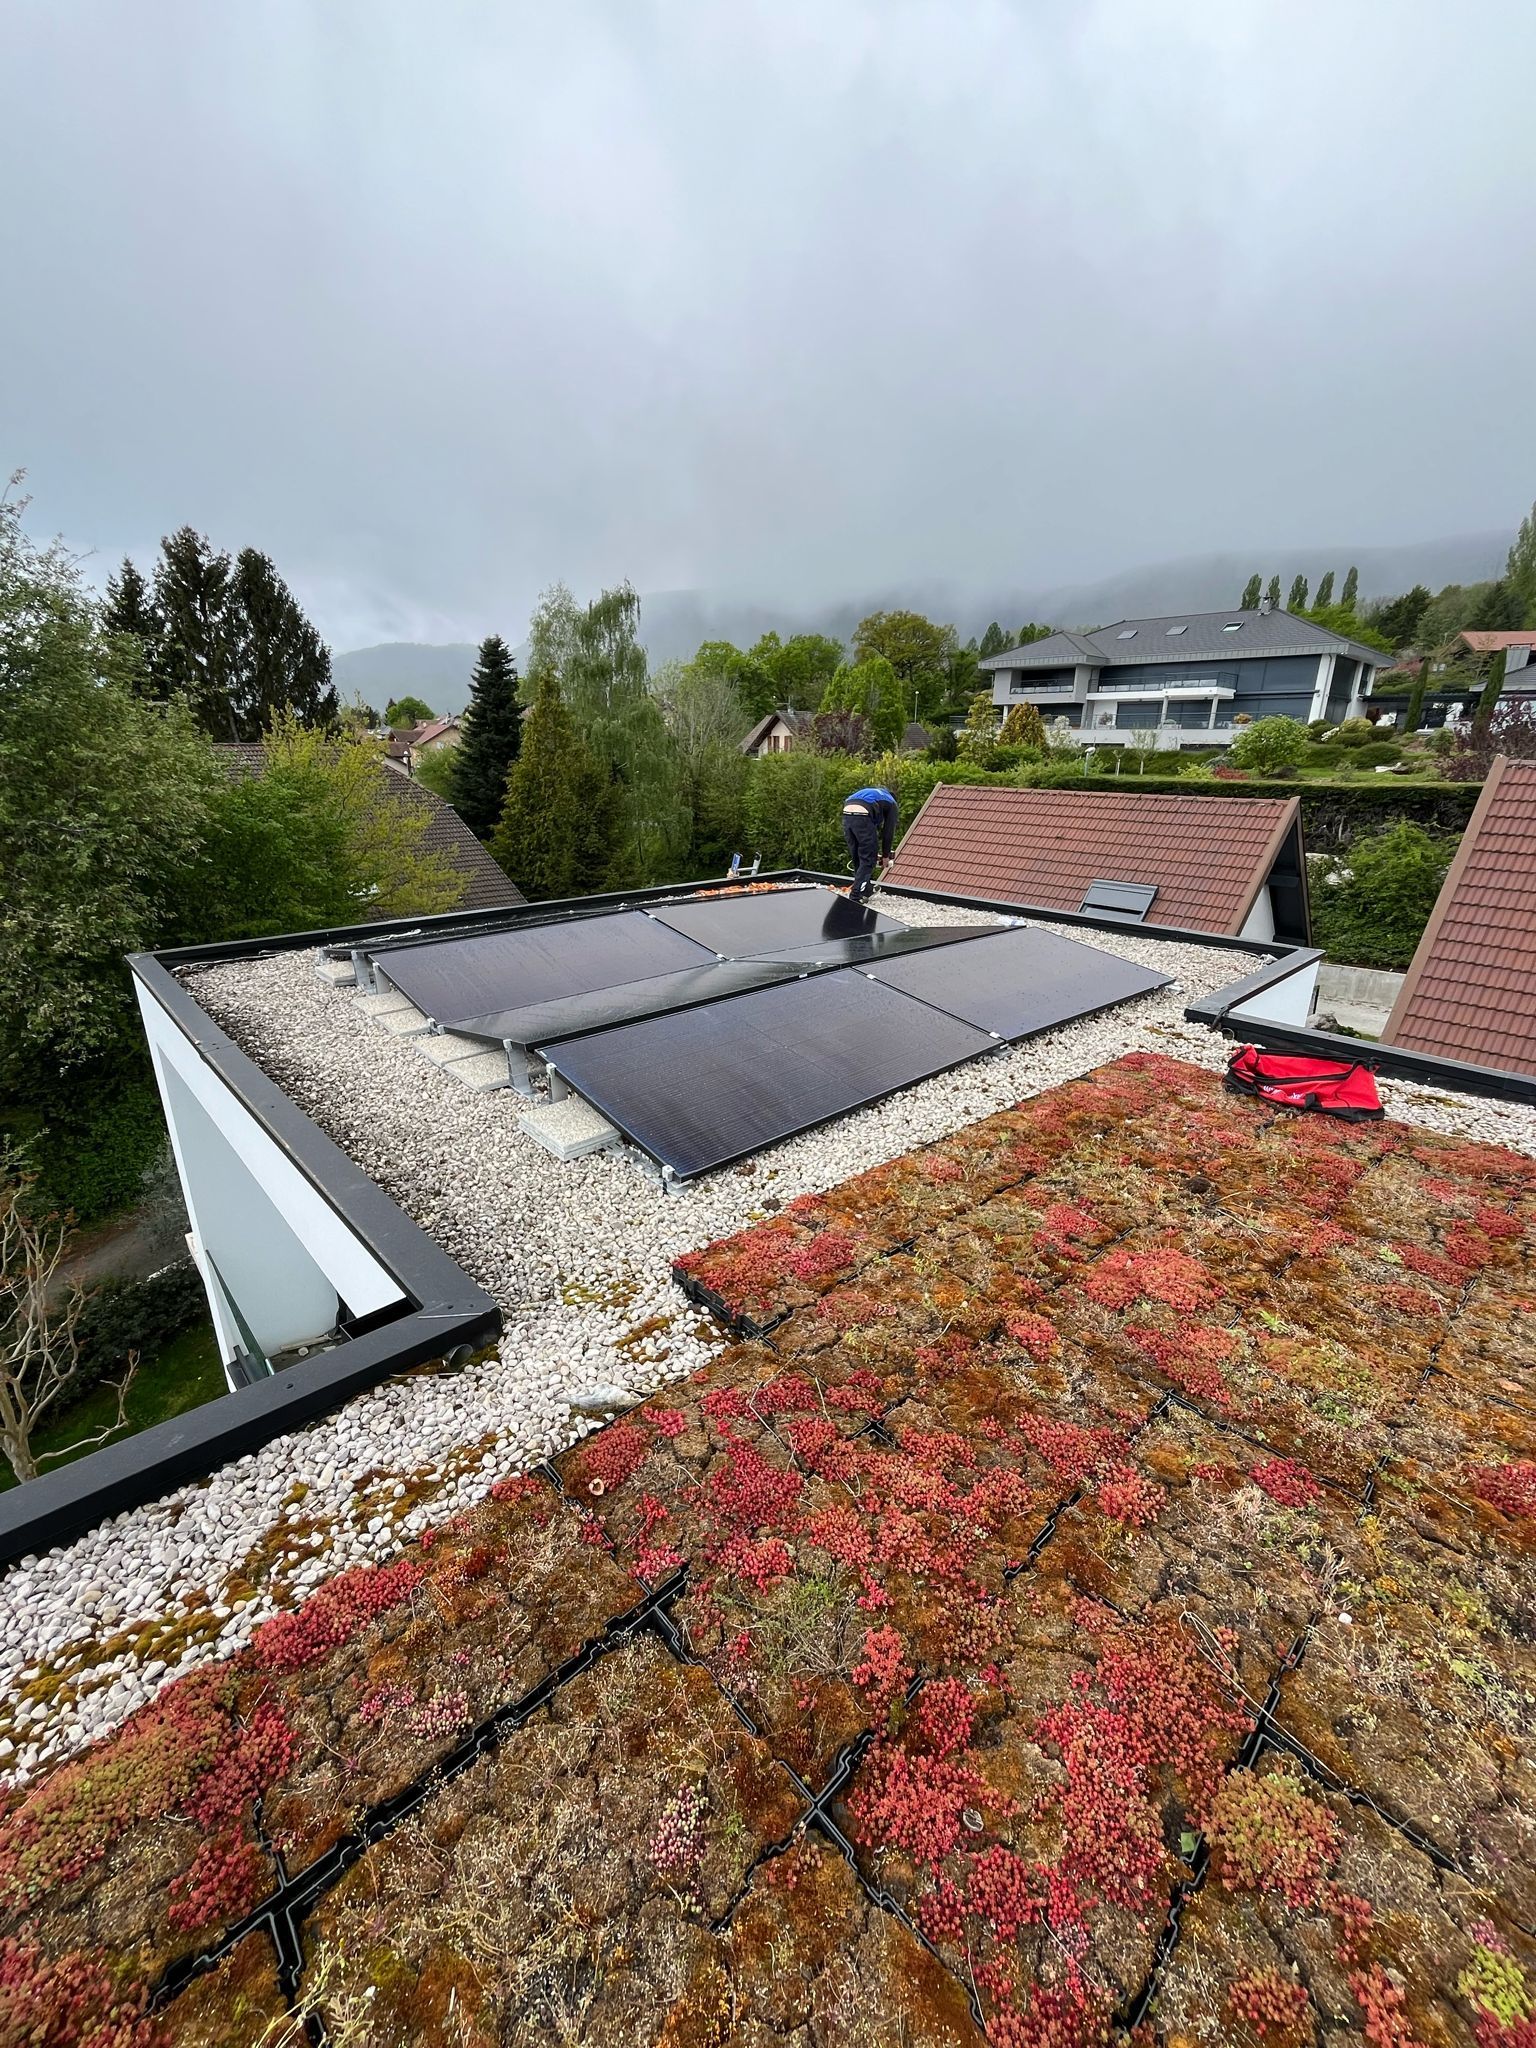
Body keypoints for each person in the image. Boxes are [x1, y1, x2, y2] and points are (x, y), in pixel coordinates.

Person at [841, 784, 898, 905]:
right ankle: (855, 896)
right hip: (863, 813)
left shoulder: (875, 794)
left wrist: (873, 848)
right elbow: (888, 832)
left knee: (858, 856)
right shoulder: (892, 803)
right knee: (868, 859)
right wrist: (886, 856)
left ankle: (866, 888)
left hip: (847, 813)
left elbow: (873, 831)